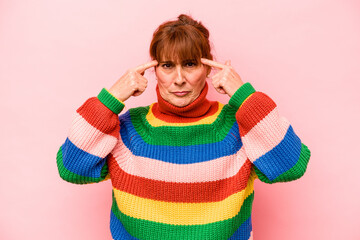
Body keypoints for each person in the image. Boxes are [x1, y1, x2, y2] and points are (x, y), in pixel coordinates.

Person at [56, 14, 311, 240]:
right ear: (155, 69)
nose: (179, 79)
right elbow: (71, 167)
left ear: (208, 67)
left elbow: (291, 166)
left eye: (190, 64)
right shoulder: (129, 129)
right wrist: (111, 98)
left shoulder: (237, 126)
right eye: (168, 66)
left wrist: (245, 96)